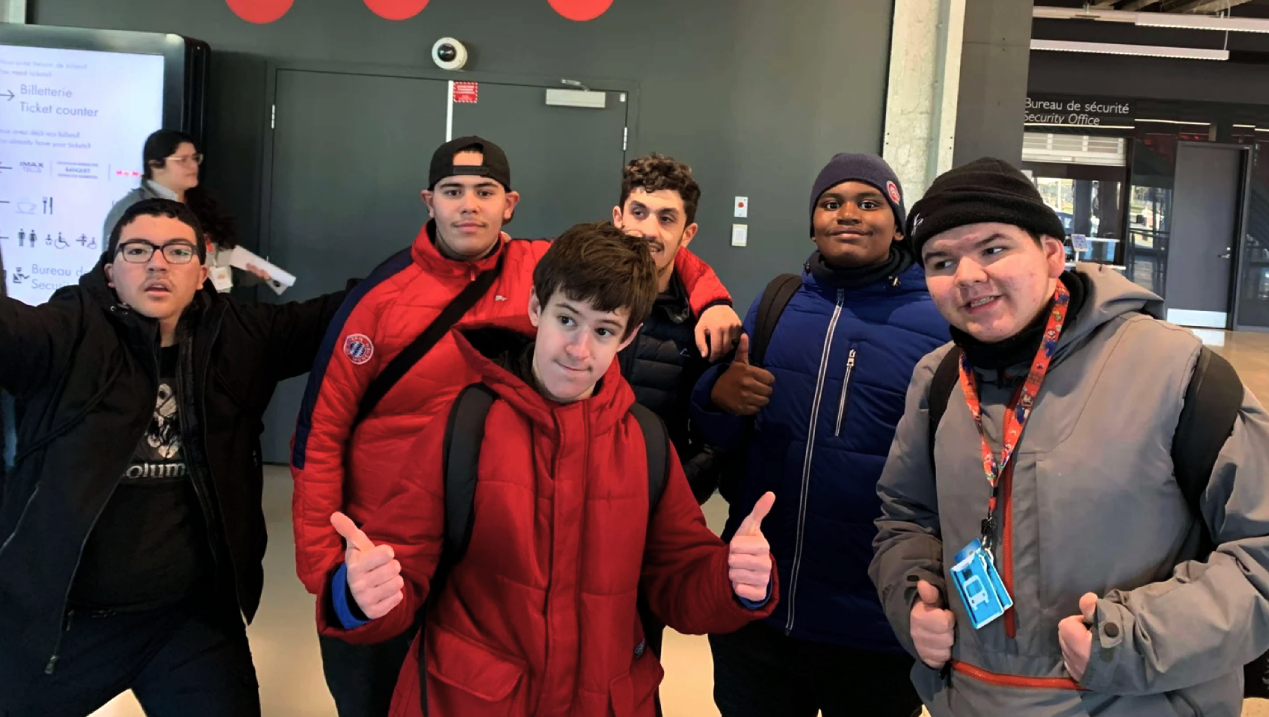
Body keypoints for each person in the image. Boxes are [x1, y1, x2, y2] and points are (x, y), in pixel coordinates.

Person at [291, 135, 742, 716]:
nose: (469, 206)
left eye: (485, 191)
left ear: (511, 202)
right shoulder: (382, 301)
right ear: (429, 200)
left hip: (528, 533)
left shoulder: (542, 266)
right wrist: (326, 574)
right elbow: (320, 434)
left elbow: (646, 253)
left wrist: (711, 298)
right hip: (398, 542)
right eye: (454, 191)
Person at [869, 158, 1269, 717]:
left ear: (1052, 254)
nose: (966, 275)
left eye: (993, 249)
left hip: (1136, 701)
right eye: (942, 261)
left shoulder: (1174, 371)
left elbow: (1268, 548)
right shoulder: (938, 379)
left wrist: (1137, 640)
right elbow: (904, 519)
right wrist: (909, 596)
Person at [0, 199, 350, 716]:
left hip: (190, 620)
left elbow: (352, 311)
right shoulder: (66, 331)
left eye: (177, 251)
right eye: (138, 250)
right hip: (63, 619)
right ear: (110, 272)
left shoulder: (239, 336)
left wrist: (444, 248)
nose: (157, 263)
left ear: (202, 273)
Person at [690, 153, 950, 717]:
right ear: (813, 223)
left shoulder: (938, 321)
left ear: (898, 223)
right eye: (831, 203)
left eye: (869, 202)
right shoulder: (779, 302)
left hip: (875, 622)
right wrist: (717, 396)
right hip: (759, 607)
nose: (848, 214)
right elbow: (727, 435)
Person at [612, 154, 728, 505]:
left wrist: (670, 497)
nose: (649, 230)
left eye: (666, 219)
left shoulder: (704, 325)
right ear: (618, 219)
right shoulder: (579, 298)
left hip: (657, 506)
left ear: (687, 233)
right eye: (638, 212)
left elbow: (712, 439)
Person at [103, 129, 267, 292]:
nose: (193, 165)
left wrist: (244, 275)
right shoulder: (131, 211)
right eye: (182, 160)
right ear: (155, 165)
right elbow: (121, 271)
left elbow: (213, 264)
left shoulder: (203, 203)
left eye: (195, 158)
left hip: (212, 307)